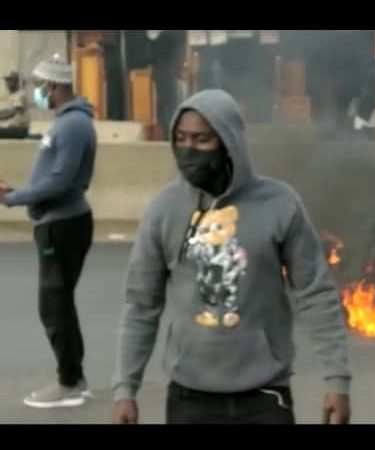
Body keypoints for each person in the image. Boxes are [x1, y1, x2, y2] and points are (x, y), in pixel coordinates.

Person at [112, 89, 352, 425]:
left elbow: (316, 293)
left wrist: (337, 380)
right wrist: (125, 388)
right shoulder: (164, 210)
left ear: (229, 142)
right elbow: (140, 305)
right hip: (189, 397)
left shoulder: (280, 204)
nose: (189, 150)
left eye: (201, 139)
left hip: (265, 395)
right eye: (180, 139)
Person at [0, 55, 97, 408]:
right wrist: (18, 193)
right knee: (60, 305)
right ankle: (75, 378)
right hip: (57, 223)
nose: (38, 93)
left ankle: (70, 383)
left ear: (53, 87)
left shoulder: (71, 126)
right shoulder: (69, 123)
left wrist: (14, 198)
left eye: (41, 87)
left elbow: (61, 180)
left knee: (54, 306)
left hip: (63, 226)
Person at [0, 71, 30, 139]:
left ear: (16, 82)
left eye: (10, 80)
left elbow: (13, 112)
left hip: (20, 129)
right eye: (7, 80)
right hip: (12, 128)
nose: (7, 83)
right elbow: (6, 111)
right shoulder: (10, 95)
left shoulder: (21, 94)